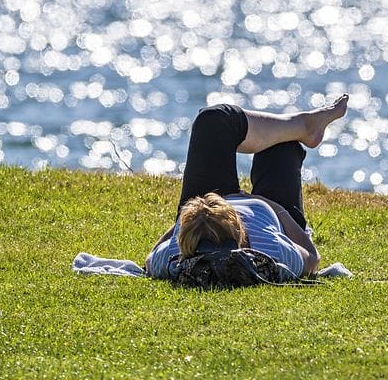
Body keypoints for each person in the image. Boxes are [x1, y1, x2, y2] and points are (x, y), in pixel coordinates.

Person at [145, 94, 350, 280]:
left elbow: (149, 260)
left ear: (184, 242)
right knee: (283, 146)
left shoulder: (175, 256)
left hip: (203, 208)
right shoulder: (270, 250)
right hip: (270, 214)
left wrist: (191, 218)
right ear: (242, 232)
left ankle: (305, 126)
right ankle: (304, 127)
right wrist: (269, 205)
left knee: (213, 120)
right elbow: (312, 259)